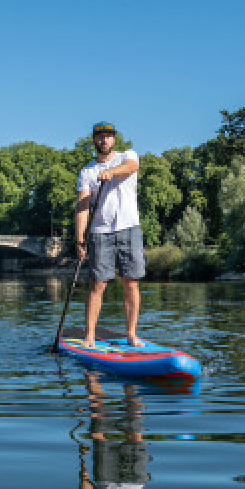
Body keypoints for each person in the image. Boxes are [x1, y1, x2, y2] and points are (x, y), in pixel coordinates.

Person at [75, 121, 145, 349]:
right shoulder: (87, 172)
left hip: (129, 227)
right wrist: (80, 238)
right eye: (100, 136)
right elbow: (83, 206)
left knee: (131, 282)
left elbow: (131, 167)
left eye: (108, 136)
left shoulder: (127, 156)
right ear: (94, 140)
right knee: (97, 285)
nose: (104, 140)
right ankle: (90, 336)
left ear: (114, 139)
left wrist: (110, 172)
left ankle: (132, 334)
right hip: (100, 232)